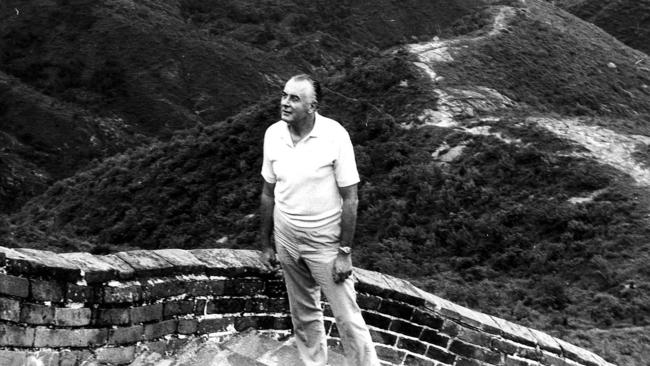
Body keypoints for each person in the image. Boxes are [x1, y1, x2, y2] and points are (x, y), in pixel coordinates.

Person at [259, 74, 380, 366]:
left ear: (312, 106)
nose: (285, 103)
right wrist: (266, 245)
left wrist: (345, 253)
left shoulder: (335, 135)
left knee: (347, 317)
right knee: (303, 314)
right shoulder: (273, 134)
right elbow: (267, 193)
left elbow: (351, 199)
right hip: (286, 236)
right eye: (284, 95)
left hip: (324, 241)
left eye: (294, 98)